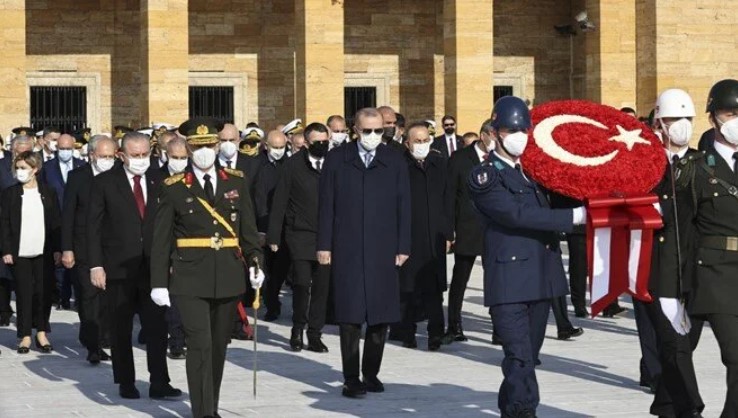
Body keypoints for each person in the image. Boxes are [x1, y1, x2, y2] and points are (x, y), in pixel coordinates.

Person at [468, 96, 586, 418]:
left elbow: (556, 200)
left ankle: (512, 408)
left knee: (527, 358)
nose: (518, 136)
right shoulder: (485, 176)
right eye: (510, 129)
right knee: (518, 357)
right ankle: (523, 411)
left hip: (541, 279)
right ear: (495, 132)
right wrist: (573, 218)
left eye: (523, 129)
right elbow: (516, 215)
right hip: (509, 281)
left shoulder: (533, 173)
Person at [150, 117, 265, 418]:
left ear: (217, 145)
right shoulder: (172, 187)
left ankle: (210, 405)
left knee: (217, 347)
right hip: (189, 278)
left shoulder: (236, 180)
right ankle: (203, 413)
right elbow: (161, 240)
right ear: (187, 148)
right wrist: (158, 282)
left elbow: (248, 231)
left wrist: (255, 264)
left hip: (227, 275)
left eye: (209, 145)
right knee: (199, 344)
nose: (204, 151)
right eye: (197, 146)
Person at [317, 107, 411, 398]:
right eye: (367, 130)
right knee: (350, 314)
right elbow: (326, 205)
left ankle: (371, 372)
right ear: (355, 130)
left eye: (378, 130)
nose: (373, 136)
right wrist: (324, 245)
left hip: (383, 247)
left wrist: (403, 245)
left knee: (380, 314)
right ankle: (350, 377)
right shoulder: (337, 159)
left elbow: (404, 204)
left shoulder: (394, 159)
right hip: (347, 247)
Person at [87, 132, 180, 400]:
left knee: (156, 327)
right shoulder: (105, 182)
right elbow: (92, 227)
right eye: (135, 155)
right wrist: (95, 265)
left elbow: (173, 224)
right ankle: (125, 381)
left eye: (145, 154)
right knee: (121, 327)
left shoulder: (160, 179)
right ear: (122, 155)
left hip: (154, 266)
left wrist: (173, 260)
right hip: (118, 267)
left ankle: (160, 381)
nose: (141, 160)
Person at [665, 79, 738, 417]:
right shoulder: (695, 168)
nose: (736, 119)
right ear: (713, 119)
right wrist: (672, 287)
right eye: (729, 112)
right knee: (731, 357)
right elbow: (680, 229)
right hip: (713, 273)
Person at [644, 88, 705, 417]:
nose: (680, 125)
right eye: (672, 119)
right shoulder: (646, 168)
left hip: (696, 273)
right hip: (659, 271)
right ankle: (692, 409)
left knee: (683, 348)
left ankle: (666, 407)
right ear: (659, 123)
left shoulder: (702, 165)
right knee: (675, 345)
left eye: (686, 119)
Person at [267, 123, 330, 353]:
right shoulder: (292, 166)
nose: (322, 146)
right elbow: (280, 201)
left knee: (322, 288)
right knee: (302, 284)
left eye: (325, 141)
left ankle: (315, 334)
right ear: (306, 142)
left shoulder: (333, 164)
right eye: (317, 142)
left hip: (327, 236)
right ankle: (297, 329)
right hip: (300, 234)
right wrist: (274, 235)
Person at [61, 135, 117, 364]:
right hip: (83, 247)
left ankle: (103, 337)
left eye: (111, 156)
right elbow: (68, 215)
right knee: (89, 296)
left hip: (111, 247)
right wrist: (67, 249)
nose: (106, 160)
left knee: (107, 297)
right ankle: (92, 344)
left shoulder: (118, 176)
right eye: (103, 156)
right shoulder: (78, 178)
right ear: (92, 155)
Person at [397, 122, 451, 351]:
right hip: (409, 235)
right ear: (407, 143)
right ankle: (407, 332)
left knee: (434, 289)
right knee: (408, 288)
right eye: (416, 141)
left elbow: (448, 201)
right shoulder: (399, 166)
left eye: (425, 140)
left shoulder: (440, 164)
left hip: (435, 236)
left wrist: (448, 231)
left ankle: (435, 333)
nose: (421, 145)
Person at [1, 151, 61, 353]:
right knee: (24, 293)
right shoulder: (10, 193)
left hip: (44, 251)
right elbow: (5, 223)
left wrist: (58, 249)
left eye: (24, 168)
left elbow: (55, 222)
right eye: (17, 168)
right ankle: (25, 335)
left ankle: (42, 332)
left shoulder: (48, 192)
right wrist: (7, 250)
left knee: (43, 293)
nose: (20, 172)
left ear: (35, 169)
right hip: (20, 252)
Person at [443, 120, 491, 343]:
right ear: (483, 135)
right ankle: (454, 325)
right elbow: (450, 195)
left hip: (495, 230)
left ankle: (500, 329)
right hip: (467, 228)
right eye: (494, 135)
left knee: (497, 281)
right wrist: (449, 230)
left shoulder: (501, 159)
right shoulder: (460, 159)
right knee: (460, 279)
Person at [42, 133, 86, 311]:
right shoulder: (47, 168)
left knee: (77, 258)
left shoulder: (82, 166)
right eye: (62, 148)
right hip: (56, 218)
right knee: (59, 258)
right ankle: (62, 296)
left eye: (68, 148)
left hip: (78, 219)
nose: (65, 152)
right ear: (56, 148)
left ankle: (78, 295)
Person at [254, 130, 291, 322]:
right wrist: (261, 229)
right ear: (266, 146)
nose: (278, 151)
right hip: (264, 226)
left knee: (280, 270)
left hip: (285, 226)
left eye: (281, 147)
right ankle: (271, 305)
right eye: (275, 147)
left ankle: (274, 299)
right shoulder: (258, 165)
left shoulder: (289, 165)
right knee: (267, 270)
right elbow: (258, 200)